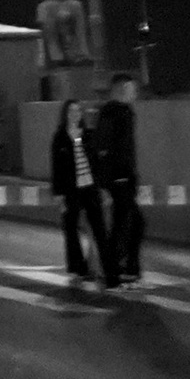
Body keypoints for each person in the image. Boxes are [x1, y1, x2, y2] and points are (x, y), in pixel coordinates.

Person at [49, 98, 118, 286]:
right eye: (71, 111)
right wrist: (58, 193)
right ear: (65, 114)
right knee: (70, 229)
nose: (75, 114)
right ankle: (78, 268)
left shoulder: (88, 135)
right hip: (71, 190)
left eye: (78, 111)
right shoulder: (60, 137)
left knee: (100, 230)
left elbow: (97, 163)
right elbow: (56, 167)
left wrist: (103, 188)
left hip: (90, 188)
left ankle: (110, 272)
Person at [92, 72, 145, 287]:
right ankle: (115, 270)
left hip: (123, 178)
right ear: (123, 90)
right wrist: (107, 182)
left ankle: (126, 268)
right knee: (125, 225)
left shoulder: (123, 112)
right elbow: (102, 149)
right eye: (132, 89)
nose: (135, 93)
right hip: (119, 179)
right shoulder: (114, 113)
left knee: (131, 224)